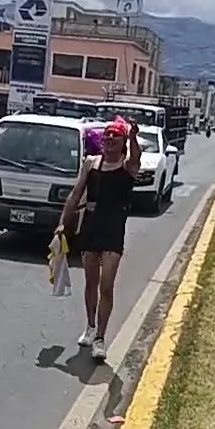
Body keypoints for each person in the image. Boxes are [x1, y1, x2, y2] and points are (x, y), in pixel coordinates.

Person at [56, 117, 142, 359]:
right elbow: (75, 194)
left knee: (107, 285)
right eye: (107, 135)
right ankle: (90, 326)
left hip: (113, 229)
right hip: (91, 227)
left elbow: (136, 157)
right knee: (90, 282)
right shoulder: (91, 163)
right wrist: (62, 223)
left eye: (116, 135)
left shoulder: (128, 166)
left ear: (123, 142)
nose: (110, 138)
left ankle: (100, 338)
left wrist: (134, 137)